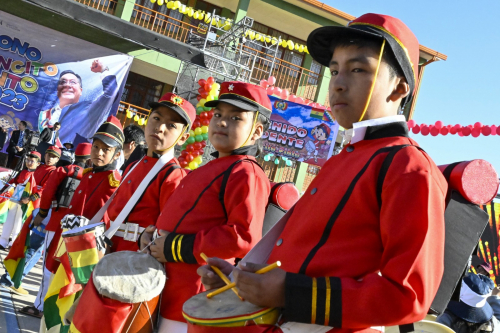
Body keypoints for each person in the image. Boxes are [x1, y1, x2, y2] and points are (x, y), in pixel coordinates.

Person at [197, 13, 448, 333]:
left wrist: (289, 292)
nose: (339, 82)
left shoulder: (408, 166)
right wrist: (240, 278)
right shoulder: (345, 158)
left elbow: (408, 297)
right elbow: (309, 260)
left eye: (358, 69)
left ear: (398, 89)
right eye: (334, 70)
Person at [139, 81, 271, 332]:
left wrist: (175, 247)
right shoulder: (213, 167)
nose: (222, 122)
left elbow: (243, 237)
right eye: (218, 114)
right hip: (165, 288)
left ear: (255, 132)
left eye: (235, 118)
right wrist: (153, 235)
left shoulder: (246, 171)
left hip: (192, 296)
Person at [41, 116, 123, 333]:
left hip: (87, 254)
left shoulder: (114, 182)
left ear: (117, 154)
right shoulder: (87, 175)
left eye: (106, 149)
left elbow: (109, 220)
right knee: (57, 294)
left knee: (74, 300)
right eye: (96, 147)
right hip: (68, 247)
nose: (99, 152)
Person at [16, 143, 91, 318]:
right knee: (68, 270)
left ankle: (40, 306)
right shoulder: (91, 176)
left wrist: (41, 214)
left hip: (57, 224)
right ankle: (59, 308)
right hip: (79, 229)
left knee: (48, 266)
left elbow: (48, 193)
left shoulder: (63, 171)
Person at [0, 147, 60, 298]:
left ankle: (9, 276)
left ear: (57, 159)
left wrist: (31, 198)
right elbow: (43, 189)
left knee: (28, 243)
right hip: (36, 210)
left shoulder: (53, 171)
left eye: (53, 156)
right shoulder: (40, 169)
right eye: (48, 154)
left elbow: (44, 190)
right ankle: (10, 279)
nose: (49, 158)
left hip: (36, 207)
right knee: (32, 246)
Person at [38, 60, 121, 143]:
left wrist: (103, 69)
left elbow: (111, 93)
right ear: (57, 88)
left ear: (80, 90)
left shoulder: (88, 109)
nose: (67, 85)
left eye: (73, 82)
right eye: (63, 82)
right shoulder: (43, 114)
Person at [0, 151, 41, 250]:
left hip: (26, 201)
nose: (29, 162)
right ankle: (3, 241)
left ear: (38, 163)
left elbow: (39, 190)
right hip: (15, 197)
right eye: (28, 160)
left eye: (32, 161)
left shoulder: (37, 174)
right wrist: (3, 189)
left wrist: (30, 199)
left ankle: (14, 243)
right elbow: (13, 181)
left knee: (19, 222)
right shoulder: (22, 171)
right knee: (9, 220)